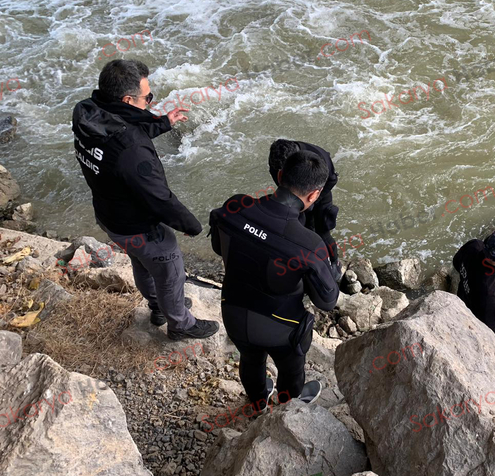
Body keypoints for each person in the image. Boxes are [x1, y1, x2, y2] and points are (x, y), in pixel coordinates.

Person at [71, 59, 219, 341]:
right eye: (147, 97)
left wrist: (162, 122)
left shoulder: (86, 112)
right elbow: (159, 198)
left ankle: (159, 307)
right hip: (137, 224)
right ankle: (180, 324)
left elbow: (120, 127)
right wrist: (191, 225)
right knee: (170, 268)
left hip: (108, 215)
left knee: (141, 261)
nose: (150, 101)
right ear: (127, 99)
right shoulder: (133, 151)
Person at [209, 150, 339, 411]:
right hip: (281, 328)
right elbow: (327, 300)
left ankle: (257, 402)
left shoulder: (235, 206)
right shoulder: (309, 243)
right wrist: (329, 261)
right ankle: (287, 407)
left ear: (280, 176)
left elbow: (217, 247)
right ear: (314, 195)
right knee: (291, 368)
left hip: (234, 313)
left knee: (250, 359)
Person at [268, 139, 342, 281]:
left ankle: (334, 262)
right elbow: (280, 181)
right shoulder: (276, 159)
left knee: (322, 231)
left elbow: (332, 179)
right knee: (300, 227)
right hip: (294, 190)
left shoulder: (318, 157)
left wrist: (313, 200)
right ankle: (302, 265)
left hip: (319, 193)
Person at [452, 230, 495, 339]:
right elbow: (491, 329)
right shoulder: (491, 294)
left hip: (463, 296)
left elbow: (456, 261)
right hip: (478, 315)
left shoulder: (474, 245)